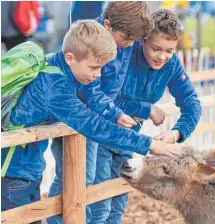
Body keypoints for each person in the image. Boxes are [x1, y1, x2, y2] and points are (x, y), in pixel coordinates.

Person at [1, 19, 182, 223]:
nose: (97, 75)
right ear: (71, 58)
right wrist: (148, 143)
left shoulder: (60, 66)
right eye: (95, 68)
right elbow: (93, 126)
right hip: (12, 170)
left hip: (28, 165)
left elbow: (91, 94)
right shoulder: (56, 89)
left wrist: (115, 114)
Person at [47, 2, 181, 224]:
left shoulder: (123, 43)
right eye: (128, 40)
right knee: (76, 180)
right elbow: (91, 90)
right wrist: (115, 112)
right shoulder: (91, 45)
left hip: (98, 116)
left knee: (89, 182)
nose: (130, 45)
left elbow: (108, 89)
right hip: (83, 118)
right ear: (108, 26)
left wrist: (115, 112)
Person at [89, 9, 202, 223]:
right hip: (103, 134)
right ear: (142, 40)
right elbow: (106, 97)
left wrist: (176, 134)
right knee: (99, 205)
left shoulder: (172, 64)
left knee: (118, 204)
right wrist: (146, 109)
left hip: (129, 140)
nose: (162, 56)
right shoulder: (124, 53)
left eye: (169, 50)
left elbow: (192, 103)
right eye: (156, 48)